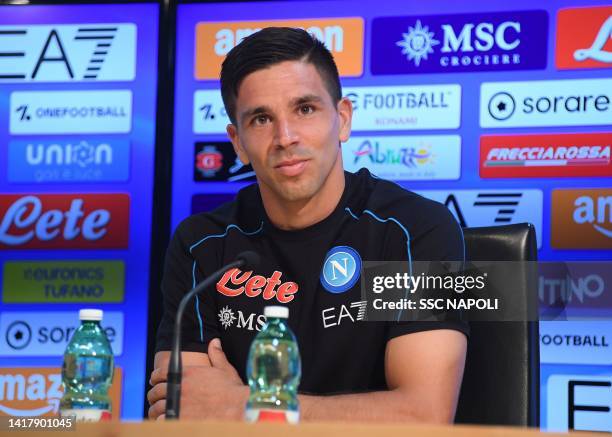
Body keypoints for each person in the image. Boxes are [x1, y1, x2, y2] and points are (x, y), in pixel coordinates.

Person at [148, 27, 467, 422]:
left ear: (343, 119)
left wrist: (244, 405)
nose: (285, 137)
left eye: (305, 109)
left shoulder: (415, 230)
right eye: (261, 119)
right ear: (238, 143)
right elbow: (185, 409)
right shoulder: (202, 244)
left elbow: (424, 416)